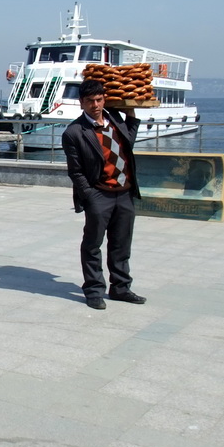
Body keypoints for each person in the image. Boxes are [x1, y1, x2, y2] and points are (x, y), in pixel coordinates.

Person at [61, 78, 146, 310]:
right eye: (90, 101)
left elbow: (128, 142)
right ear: (81, 103)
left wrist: (132, 116)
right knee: (92, 245)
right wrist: (89, 196)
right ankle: (94, 290)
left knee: (121, 244)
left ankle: (120, 288)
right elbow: (75, 172)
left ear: (104, 99)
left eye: (99, 100)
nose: (95, 105)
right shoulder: (74, 132)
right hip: (99, 195)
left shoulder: (114, 120)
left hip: (125, 193)